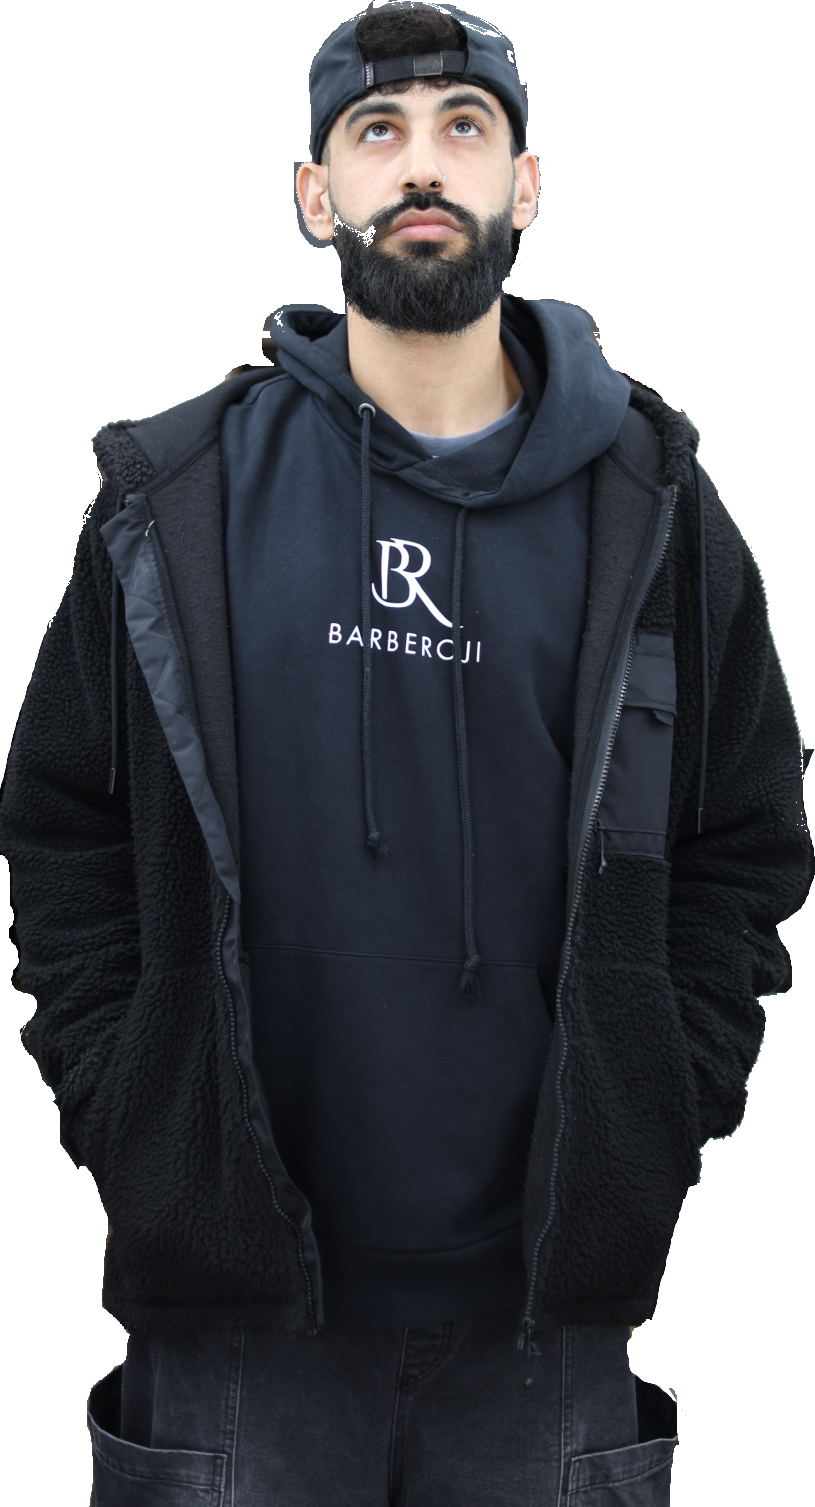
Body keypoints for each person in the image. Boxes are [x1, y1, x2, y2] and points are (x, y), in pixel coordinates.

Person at [1, 3, 811, 1503]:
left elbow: (744, 840)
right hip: (233, 1329)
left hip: (545, 1327)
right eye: (377, 132)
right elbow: (61, 829)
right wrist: (134, 1111)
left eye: (464, 128)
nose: (420, 165)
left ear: (526, 184)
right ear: (315, 194)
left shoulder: (655, 508)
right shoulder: (172, 498)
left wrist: (658, 1108)